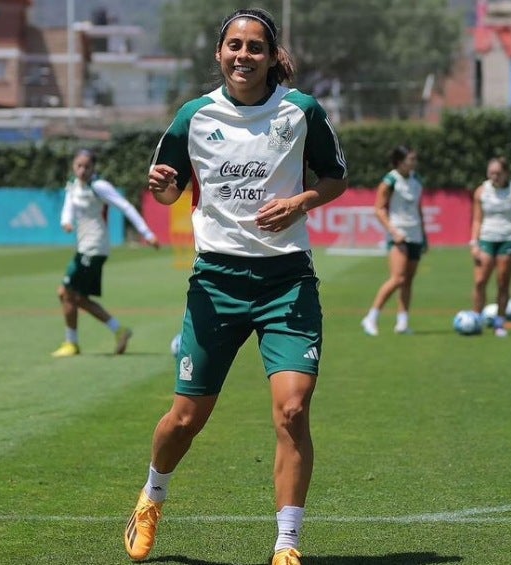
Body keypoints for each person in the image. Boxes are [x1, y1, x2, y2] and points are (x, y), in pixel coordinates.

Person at [125, 9, 348, 565]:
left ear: (273, 56)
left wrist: (299, 202)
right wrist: (161, 187)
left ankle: (287, 543)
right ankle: (152, 497)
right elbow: (168, 192)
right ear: (219, 54)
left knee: (293, 411)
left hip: (287, 281)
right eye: (234, 46)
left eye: (254, 47)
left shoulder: (300, 112)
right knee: (185, 418)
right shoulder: (194, 117)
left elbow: (336, 178)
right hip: (217, 284)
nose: (243, 56)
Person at [50, 149, 160, 358]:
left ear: (94, 168)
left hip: (94, 248)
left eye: (87, 166)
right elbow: (68, 207)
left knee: (65, 292)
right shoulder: (73, 186)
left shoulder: (99, 186)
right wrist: (65, 221)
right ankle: (119, 330)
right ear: (74, 166)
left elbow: (125, 206)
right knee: (78, 298)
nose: (82, 170)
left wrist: (146, 232)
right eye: (79, 166)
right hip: (85, 247)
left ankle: (71, 343)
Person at [361, 145, 426, 336]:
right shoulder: (390, 180)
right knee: (398, 278)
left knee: (408, 281)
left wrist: (424, 235)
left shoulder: (416, 180)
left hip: (415, 235)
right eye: (410, 160)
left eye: (415, 159)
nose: (414, 163)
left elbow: (418, 208)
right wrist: (394, 231)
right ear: (400, 162)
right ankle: (371, 317)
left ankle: (403, 322)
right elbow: (379, 209)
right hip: (399, 234)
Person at [469, 157, 511, 337]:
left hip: (509, 239)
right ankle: (476, 320)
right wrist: (474, 243)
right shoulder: (481, 192)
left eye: (498, 173)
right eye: (491, 173)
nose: (494, 176)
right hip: (486, 239)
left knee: (503, 283)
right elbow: (477, 219)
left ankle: (500, 322)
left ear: (506, 173)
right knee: (480, 282)